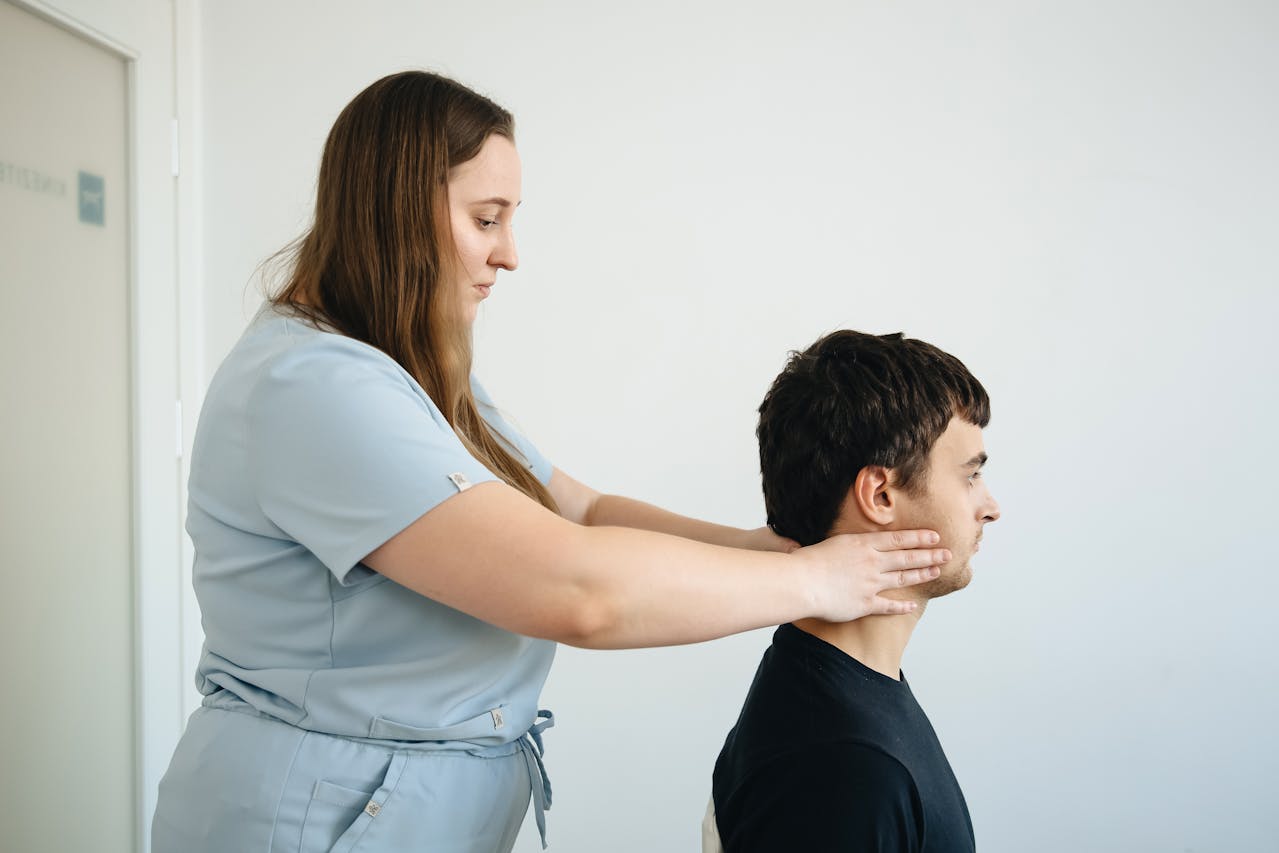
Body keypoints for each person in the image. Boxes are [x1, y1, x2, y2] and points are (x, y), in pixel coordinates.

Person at [149, 72, 951, 853]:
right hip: (311, 813)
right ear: (396, 210)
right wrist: (813, 580)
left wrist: (766, 548)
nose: (509, 255)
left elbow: (580, 509)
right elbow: (577, 592)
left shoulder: (407, 370)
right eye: (486, 219)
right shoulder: (315, 388)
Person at [707, 330, 1001, 852]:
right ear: (880, 495)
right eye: (970, 476)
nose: (991, 508)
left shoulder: (835, 692)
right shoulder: (845, 768)